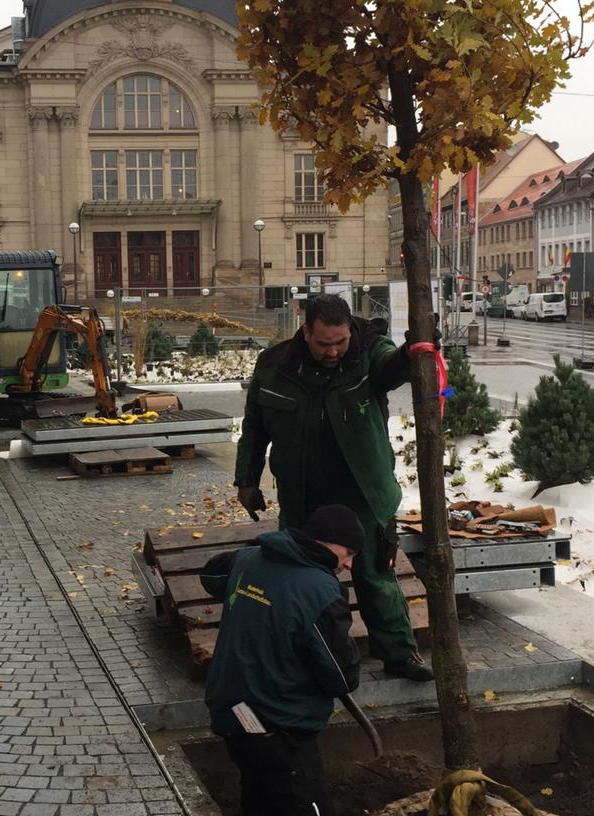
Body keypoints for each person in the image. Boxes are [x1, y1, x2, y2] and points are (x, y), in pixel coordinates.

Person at [235, 293, 437, 682]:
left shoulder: (368, 351)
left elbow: (391, 369)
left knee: (376, 573)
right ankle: (304, 655)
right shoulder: (275, 365)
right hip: (303, 494)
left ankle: (399, 653)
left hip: (362, 491)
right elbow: (255, 427)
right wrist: (247, 480)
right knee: (299, 578)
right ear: (305, 330)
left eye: (340, 342)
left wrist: (413, 350)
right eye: (324, 343)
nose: (333, 352)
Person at [201, 504, 365, 816]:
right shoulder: (321, 591)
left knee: (259, 798)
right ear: (330, 543)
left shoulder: (248, 560)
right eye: (350, 553)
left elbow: (210, 574)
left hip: (233, 712)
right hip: (278, 724)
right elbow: (342, 678)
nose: (349, 564)